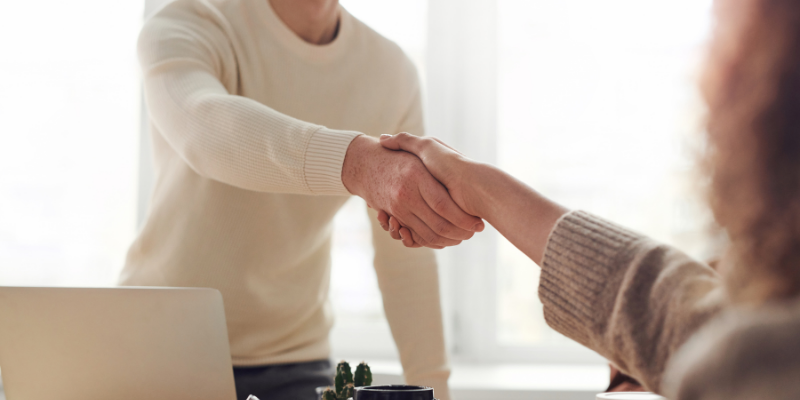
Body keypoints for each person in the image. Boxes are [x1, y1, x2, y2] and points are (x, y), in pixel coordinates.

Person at [375, 0, 800, 398]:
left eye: (723, 33)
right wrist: (481, 187)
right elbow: (689, 318)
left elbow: (702, 333)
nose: (704, 72)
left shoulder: (747, 364)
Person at [121, 0, 483, 399]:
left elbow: (405, 255)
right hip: (156, 349)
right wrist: (356, 163)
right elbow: (203, 128)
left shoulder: (390, 71)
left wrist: (437, 388)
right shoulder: (190, 18)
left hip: (294, 362)